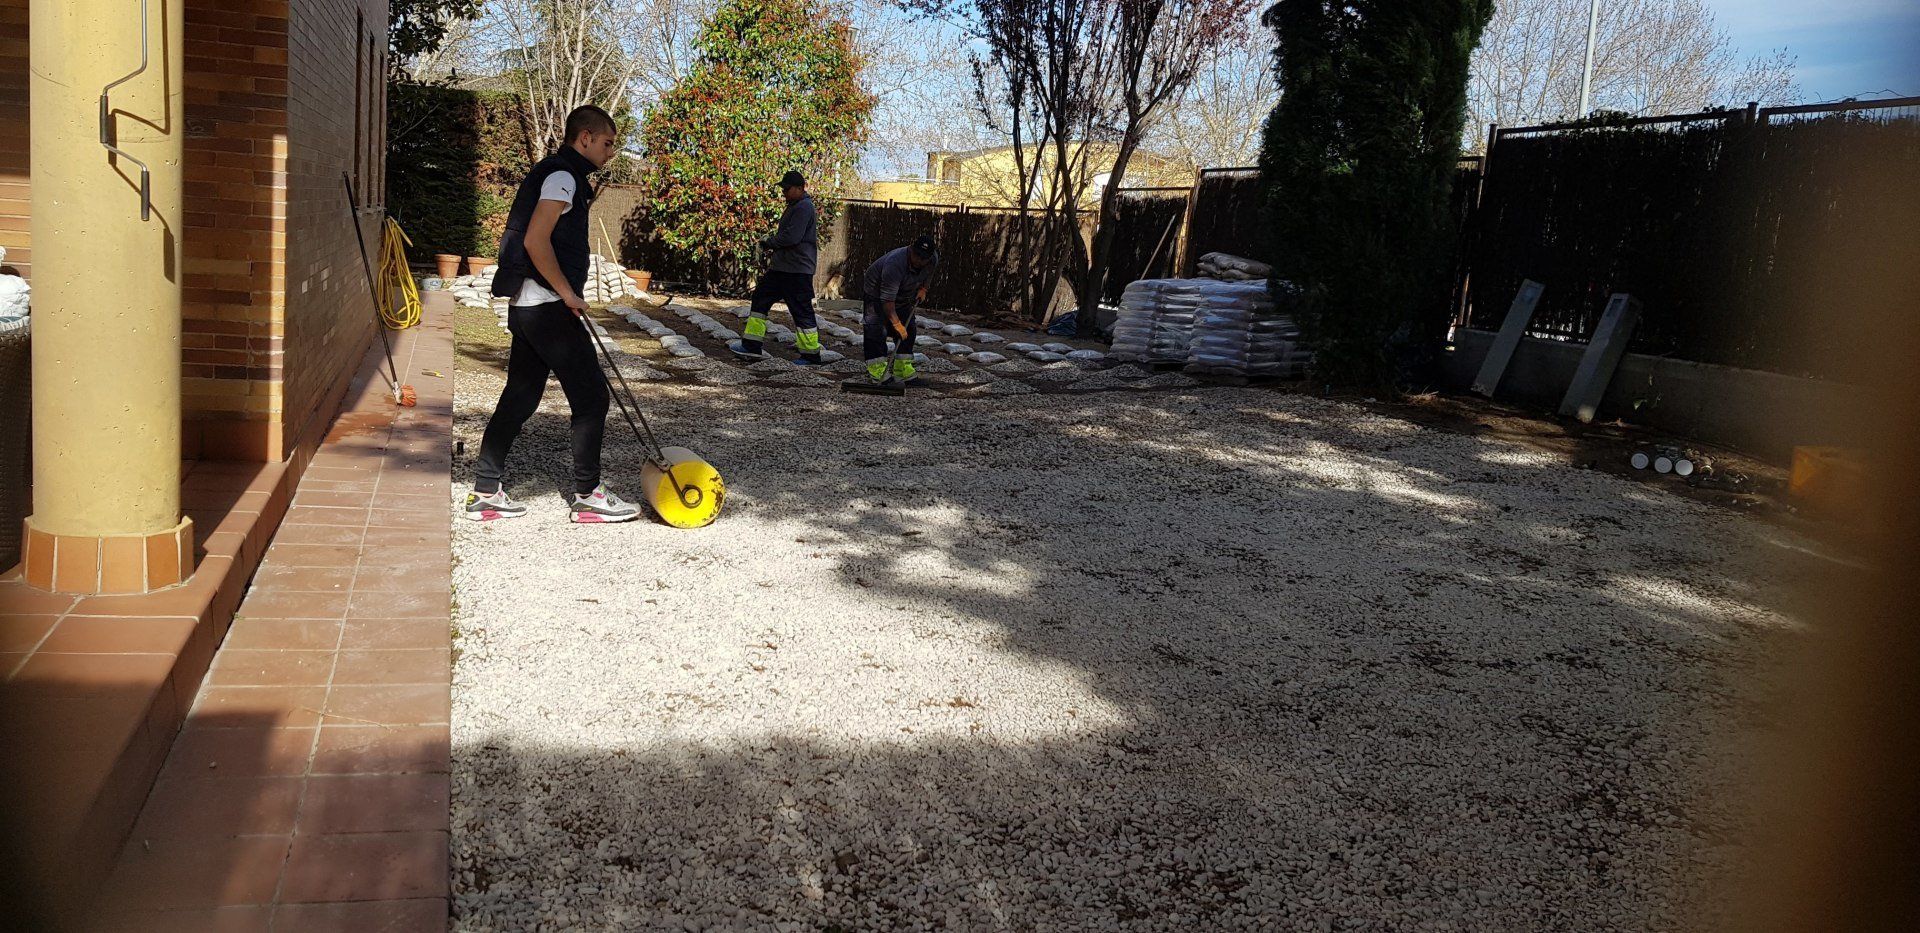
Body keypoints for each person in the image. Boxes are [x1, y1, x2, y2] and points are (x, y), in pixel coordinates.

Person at [465, 105, 641, 524]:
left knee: (521, 396)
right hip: (546, 306)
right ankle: (588, 496)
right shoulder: (563, 177)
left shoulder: (560, 174)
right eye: (607, 143)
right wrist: (568, 294)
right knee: (592, 396)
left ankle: (485, 492)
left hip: (530, 306)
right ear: (585, 138)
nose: (610, 152)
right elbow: (535, 241)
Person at [729, 171, 822, 364]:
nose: (784, 192)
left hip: (797, 270)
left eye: (787, 189)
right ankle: (751, 345)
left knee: (801, 310)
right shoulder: (794, 206)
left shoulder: (804, 207)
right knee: (760, 298)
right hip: (782, 268)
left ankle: (811, 355)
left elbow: (792, 237)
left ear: (800, 188)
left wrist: (769, 242)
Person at [857, 235, 940, 387]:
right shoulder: (895, 264)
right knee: (876, 330)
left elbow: (930, 273)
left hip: (904, 293)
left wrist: (924, 288)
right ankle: (879, 373)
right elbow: (887, 301)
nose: (920, 261)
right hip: (877, 293)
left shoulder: (932, 258)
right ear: (911, 249)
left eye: (924, 258)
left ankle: (902, 371)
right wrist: (896, 324)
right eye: (917, 256)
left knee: (909, 329)